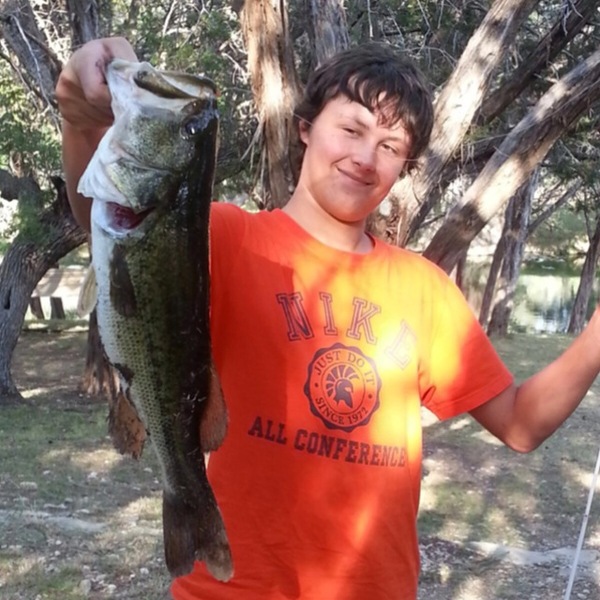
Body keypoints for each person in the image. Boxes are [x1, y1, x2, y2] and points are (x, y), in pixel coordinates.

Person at [56, 37, 600, 600]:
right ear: (306, 127)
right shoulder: (226, 237)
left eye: (390, 146)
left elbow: (520, 424)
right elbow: (109, 218)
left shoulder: (425, 290)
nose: (366, 157)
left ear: (404, 167)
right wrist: (78, 120)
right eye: (351, 129)